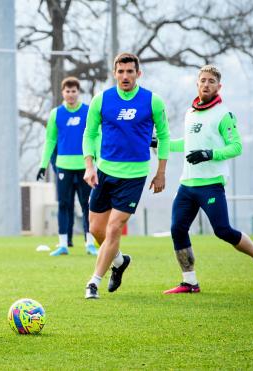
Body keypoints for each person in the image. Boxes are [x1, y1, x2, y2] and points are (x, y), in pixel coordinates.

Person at [161, 65, 253, 294]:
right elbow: (187, 144)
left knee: (223, 230)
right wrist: (161, 143)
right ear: (197, 83)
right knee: (177, 229)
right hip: (187, 184)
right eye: (203, 80)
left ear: (219, 86)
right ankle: (190, 282)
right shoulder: (190, 112)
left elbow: (236, 147)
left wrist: (210, 154)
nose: (206, 84)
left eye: (211, 81)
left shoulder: (224, 114)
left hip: (211, 185)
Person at [82, 52, 170, 299]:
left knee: (113, 229)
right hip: (105, 172)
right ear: (114, 74)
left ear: (138, 74)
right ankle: (119, 261)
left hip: (135, 176)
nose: (125, 76)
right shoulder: (102, 100)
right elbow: (89, 134)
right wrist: (90, 166)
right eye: (120, 71)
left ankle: (93, 282)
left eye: (130, 71)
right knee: (96, 229)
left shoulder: (153, 102)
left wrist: (160, 172)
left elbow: (163, 137)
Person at [36, 77, 97, 256]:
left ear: (78, 92)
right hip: (63, 167)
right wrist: (43, 164)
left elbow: (96, 136)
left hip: (85, 166)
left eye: (74, 91)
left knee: (88, 205)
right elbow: (50, 140)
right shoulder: (56, 114)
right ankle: (63, 244)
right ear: (63, 93)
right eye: (67, 91)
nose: (70, 94)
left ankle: (90, 244)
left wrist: (97, 162)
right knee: (64, 204)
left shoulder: (88, 111)